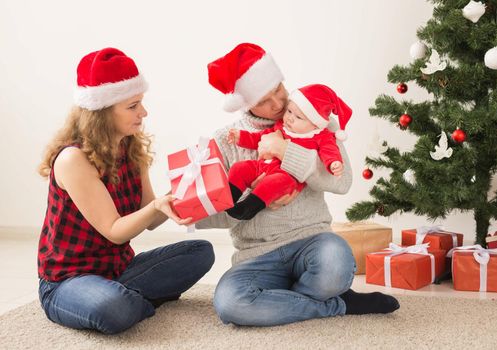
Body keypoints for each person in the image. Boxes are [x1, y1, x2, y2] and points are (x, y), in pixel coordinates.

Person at [197, 42, 399, 326]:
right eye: (263, 100)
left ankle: (288, 301)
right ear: (244, 104)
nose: (279, 105)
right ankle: (335, 304)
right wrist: (254, 198)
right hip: (257, 256)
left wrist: (284, 152)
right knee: (231, 305)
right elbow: (219, 214)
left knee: (335, 263)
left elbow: (341, 182)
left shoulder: (314, 117)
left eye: (278, 89)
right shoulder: (224, 141)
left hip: (313, 244)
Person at [37, 47, 214, 334]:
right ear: (103, 112)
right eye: (133, 106)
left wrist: (183, 192)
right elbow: (115, 230)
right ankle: (131, 300)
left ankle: (127, 296)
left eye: (140, 103)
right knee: (112, 309)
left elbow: (152, 218)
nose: (143, 112)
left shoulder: (129, 147)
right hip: (68, 280)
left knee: (201, 251)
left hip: (119, 270)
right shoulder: (73, 160)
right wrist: (156, 207)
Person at [226, 83, 350, 220]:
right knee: (239, 168)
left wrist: (333, 163)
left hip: (286, 177)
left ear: (315, 123)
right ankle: (228, 198)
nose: (289, 117)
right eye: (289, 111)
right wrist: (240, 137)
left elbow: (330, 152)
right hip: (263, 167)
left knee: (272, 183)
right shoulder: (282, 126)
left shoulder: (323, 136)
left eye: (298, 117)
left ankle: (248, 207)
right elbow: (258, 138)